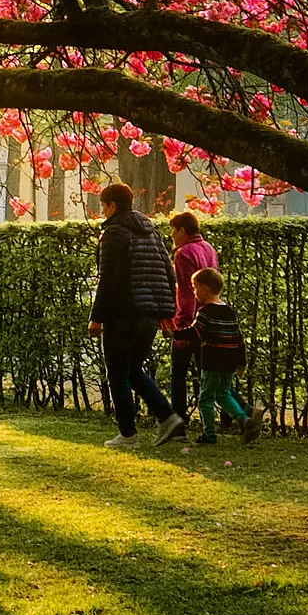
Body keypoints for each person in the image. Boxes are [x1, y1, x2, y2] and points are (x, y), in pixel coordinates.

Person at [88, 182, 185, 448]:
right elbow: (168, 274)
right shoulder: (152, 234)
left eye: (103, 206)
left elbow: (108, 279)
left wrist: (96, 317)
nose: (102, 211)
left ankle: (128, 435)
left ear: (112, 206)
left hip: (123, 312)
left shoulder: (113, 233)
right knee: (133, 370)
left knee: (118, 373)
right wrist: (166, 313)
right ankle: (167, 417)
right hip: (149, 314)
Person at [189, 266, 259, 445]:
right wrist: (241, 361)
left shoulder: (205, 312)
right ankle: (244, 419)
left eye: (195, 287)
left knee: (205, 398)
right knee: (223, 393)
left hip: (212, 361)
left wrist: (175, 333)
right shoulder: (230, 311)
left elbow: (195, 333)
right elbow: (239, 338)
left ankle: (209, 434)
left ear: (205, 288)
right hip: (228, 361)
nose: (194, 292)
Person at [165, 210, 218, 430]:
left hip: (192, 321)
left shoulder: (184, 253)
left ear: (182, 230)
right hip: (211, 317)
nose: (171, 236)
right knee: (208, 372)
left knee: (178, 373)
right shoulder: (208, 248)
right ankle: (238, 413)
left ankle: (178, 421)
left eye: (173, 231)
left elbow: (186, 293)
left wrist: (181, 326)